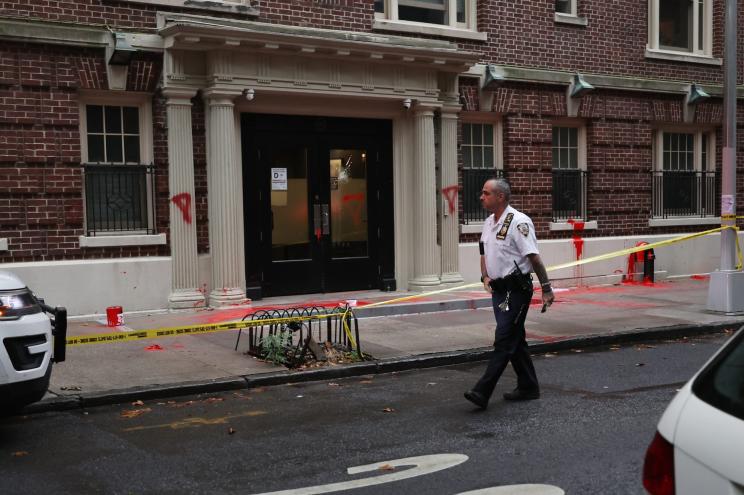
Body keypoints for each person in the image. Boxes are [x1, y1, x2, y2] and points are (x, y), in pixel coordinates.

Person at [464, 178, 555, 410]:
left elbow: (534, 257)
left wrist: (546, 288)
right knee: (515, 339)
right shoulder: (488, 223)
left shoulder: (519, 222)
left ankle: (482, 391)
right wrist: (484, 276)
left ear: (500, 197)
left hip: (517, 291)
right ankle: (528, 386)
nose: (481, 197)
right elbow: (484, 251)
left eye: (485, 193)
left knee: (504, 340)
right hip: (499, 291)